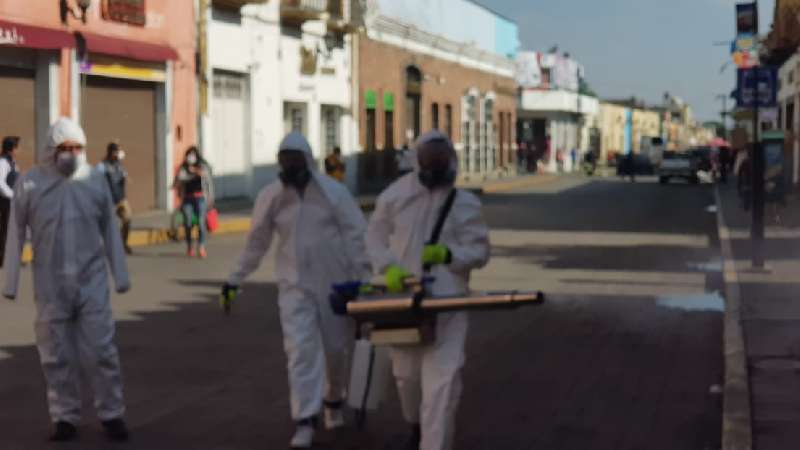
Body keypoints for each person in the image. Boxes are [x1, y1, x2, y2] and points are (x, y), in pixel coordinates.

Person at [221, 131, 370, 449]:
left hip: (336, 285)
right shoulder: (271, 196)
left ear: (308, 160)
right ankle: (305, 420)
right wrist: (235, 278)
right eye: (285, 160)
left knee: (336, 349)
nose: (290, 166)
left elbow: (356, 236)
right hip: (294, 287)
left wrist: (365, 279)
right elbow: (256, 243)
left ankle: (333, 400)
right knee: (300, 351)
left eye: (295, 159)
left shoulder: (334, 193)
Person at [3, 118, 131, 442]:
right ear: (50, 151)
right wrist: (11, 281)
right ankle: (64, 416)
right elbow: (16, 233)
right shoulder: (30, 184)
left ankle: (112, 413)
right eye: (65, 148)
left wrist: (121, 276)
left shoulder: (94, 181)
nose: (72, 154)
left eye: (77, 148)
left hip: (92, 280)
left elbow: (110, 231)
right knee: (55, 355)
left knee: (102, 349)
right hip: (50, 285)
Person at [366, 130, 490, 450]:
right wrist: (388, 267)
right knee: (406, 377)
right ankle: (416, 424)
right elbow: (374, 239)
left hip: (448, 303)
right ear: (416, 161)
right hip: (403, 301)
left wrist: (452, 256)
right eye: (430, 159)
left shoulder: (465, 203)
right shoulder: (394, 197)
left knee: (443, 384)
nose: (436, 165)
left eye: (441, 159)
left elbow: (480, 251)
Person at [173, 146, 214, 258]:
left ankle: (201, 247)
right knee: (188, 222)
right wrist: (190, 173)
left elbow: (207, 180)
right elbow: (180, 179)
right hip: (187, 198)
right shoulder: (183, 168)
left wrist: (210, 199)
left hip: (200, 198)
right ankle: (190, 246)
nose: (191, 157)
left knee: (201, 223)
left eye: (193, 155)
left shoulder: (202, 166)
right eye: (189, 155)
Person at [97, 142, 132, 254]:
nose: (118, 154)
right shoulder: (102, 166)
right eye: (116, 151)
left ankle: (123, 244)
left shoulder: (118, 164)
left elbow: (123, 174)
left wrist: (126, 177)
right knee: (110, 225)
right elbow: (96, 180)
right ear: (111, 152)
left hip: (121, 199)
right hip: (109, 200)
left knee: (127, 220)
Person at [0, 136, 20, 265]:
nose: (18, 150)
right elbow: (0, 183)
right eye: (17, 147)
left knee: (11, 231)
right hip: (4, 202)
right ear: (11, 149)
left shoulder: (12, 163)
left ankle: (8, 257)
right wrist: (13, 195)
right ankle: (2, 259)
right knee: (4, 231)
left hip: (11, 202)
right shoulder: (3, 163)